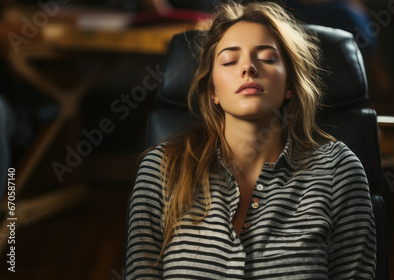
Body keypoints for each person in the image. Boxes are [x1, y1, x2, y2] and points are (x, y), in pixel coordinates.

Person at [124, 2, 376, 279]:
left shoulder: (338, 171)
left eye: (267, 58)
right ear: (213, 91)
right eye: (230, 60)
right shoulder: (160, 170)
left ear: (290, 85)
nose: (248, 68)